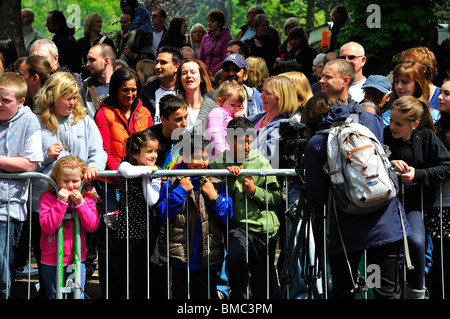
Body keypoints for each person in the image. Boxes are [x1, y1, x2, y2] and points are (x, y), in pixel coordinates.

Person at [302, 91, 410, 299]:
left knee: (345, 289)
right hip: (384, 223)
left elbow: (316, 194)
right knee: (382, 289)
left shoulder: (317, 142)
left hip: (347, 232)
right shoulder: (366, 122)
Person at [94, 67, 152, 298]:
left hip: (136, 186)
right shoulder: (103, 113)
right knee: (110, 244)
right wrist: (122, 174)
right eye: (124, 90)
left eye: (133, 90)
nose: (130, 94)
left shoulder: (144, 112)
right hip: (110, 184)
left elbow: (147, 147)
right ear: (114, 90)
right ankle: (111, 292)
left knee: (135, 242)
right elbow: (104, 151)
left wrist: (137, 173)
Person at [384, 95, 450, 298]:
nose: (392, 126)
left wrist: (417, 175)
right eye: (392, 121)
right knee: (384, 249)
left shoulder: (426, 136)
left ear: (414, 124)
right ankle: (381, 290)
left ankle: (416, 291)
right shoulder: (384, 134)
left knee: (417, 243)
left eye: (398, 123)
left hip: (414, 204)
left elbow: (446, 166)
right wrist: (390, 164)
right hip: (385, 204)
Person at [209, 117, 282, 299]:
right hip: (237, 227)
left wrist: (255, 191)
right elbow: (213, 196)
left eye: (250, 141)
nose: (247, 146)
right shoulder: (217, 164)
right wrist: (231, 179)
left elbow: (276, 197)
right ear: (227, 139)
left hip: (264, 230)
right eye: (241, 142)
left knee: (264, 283)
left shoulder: (262, 162)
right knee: (236, 257)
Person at [157, 137, 233, 299]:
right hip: (180, 258)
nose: (202, 162)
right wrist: (180, 192)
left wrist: (214, 197)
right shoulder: (173, 182)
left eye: (205, 158)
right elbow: (164, 212)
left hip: (208, 259)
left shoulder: (216, 183)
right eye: (196, 157)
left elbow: (226, 215)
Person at [0, 72, 43, 299]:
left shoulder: (28, 121)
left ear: (21, 102)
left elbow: (30, 164)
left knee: (2, 267)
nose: (0, 104)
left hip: (8, 209)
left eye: (6, 101)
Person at [39, 155, 99, 299]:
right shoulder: (48, 198)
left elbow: (92, 225)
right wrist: (60, 203)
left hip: (77, 259)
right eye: (65, 181)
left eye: (75, 181)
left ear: (82, 180)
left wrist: (80, 204)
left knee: (76, 295)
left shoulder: (87, 198)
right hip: (51, 260)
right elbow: (47, 227)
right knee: (54, 295)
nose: (71, 185)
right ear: (56, 180)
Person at [116, 130, 162, 298]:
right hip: (127, 229)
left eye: (156, 151)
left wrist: (147, 176)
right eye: (149, 151)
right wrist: (146, 171)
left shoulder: (155, 171)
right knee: (127, 273)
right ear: (135, 154)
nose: (154, 155)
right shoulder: (126, 164)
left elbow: (151, 199)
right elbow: (126, 171)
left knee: (144, 273)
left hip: (147, 229)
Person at [426, 77, 450, 298]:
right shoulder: (438, 125)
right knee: (439, 267)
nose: (440, 97)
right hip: (439, 206)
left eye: (447, 94)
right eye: (441, 92)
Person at [249, 75, 299, 168]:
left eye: (267, 93)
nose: (261, 96)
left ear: (281, 98)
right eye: (262, 91)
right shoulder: (254, 118)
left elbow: (264, 157)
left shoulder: (285, 127)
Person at [382, 61, 440, 128]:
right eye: (396, 81)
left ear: (417, 85)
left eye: (405, 82)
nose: (398, 87)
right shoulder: (387, 116)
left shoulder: (434, 115)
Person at [140, 46, 182, 124]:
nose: (157, 67)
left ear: (176, 67)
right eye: (157, 62)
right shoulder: (147, 92)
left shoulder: (188, 91)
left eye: (163, 62)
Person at [205, 81, 245, 159]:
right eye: (233, 105)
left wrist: (238, 118)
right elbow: (214, 132)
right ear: (220, 101)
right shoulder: (218, 112)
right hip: (219, 157)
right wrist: (222, 153)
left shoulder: (235, 116)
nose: (236, 108)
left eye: (239, 105)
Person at [147, 94, 188, 169]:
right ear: (163, 120)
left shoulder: (187, 139)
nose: (184, 123)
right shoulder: (147, 138)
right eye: (178, 119)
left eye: (186, 117)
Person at [174, 58, 215, 134]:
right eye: (184, 73)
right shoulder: (173, 107)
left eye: (193, 72)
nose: (188, 75)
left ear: (202, 77)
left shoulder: (213, 108)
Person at [80, 44, 116, 118]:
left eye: (92, 60)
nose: (87, 64)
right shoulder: (85, 86)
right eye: (87, 60)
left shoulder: (123, 84)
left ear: (106, 61)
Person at [77, 13, 115, 80]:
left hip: (102, 78)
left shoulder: (107, 41)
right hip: (86, 78)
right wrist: (83, 66)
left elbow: (113, 61)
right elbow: (76, 62)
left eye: (101, 22)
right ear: (90, 23)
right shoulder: (81, 42)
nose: (101, 24)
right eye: (98, 22)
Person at [198, 10, 233, 76]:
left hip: (219, 74)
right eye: (208, 21)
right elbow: (201, 58)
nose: (209, 24)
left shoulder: (227, 37)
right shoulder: (205, 37)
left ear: (219, 24)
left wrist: (213, 72)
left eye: (212, 21)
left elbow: (226, 58)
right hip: (204, 73)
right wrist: (202, 70)